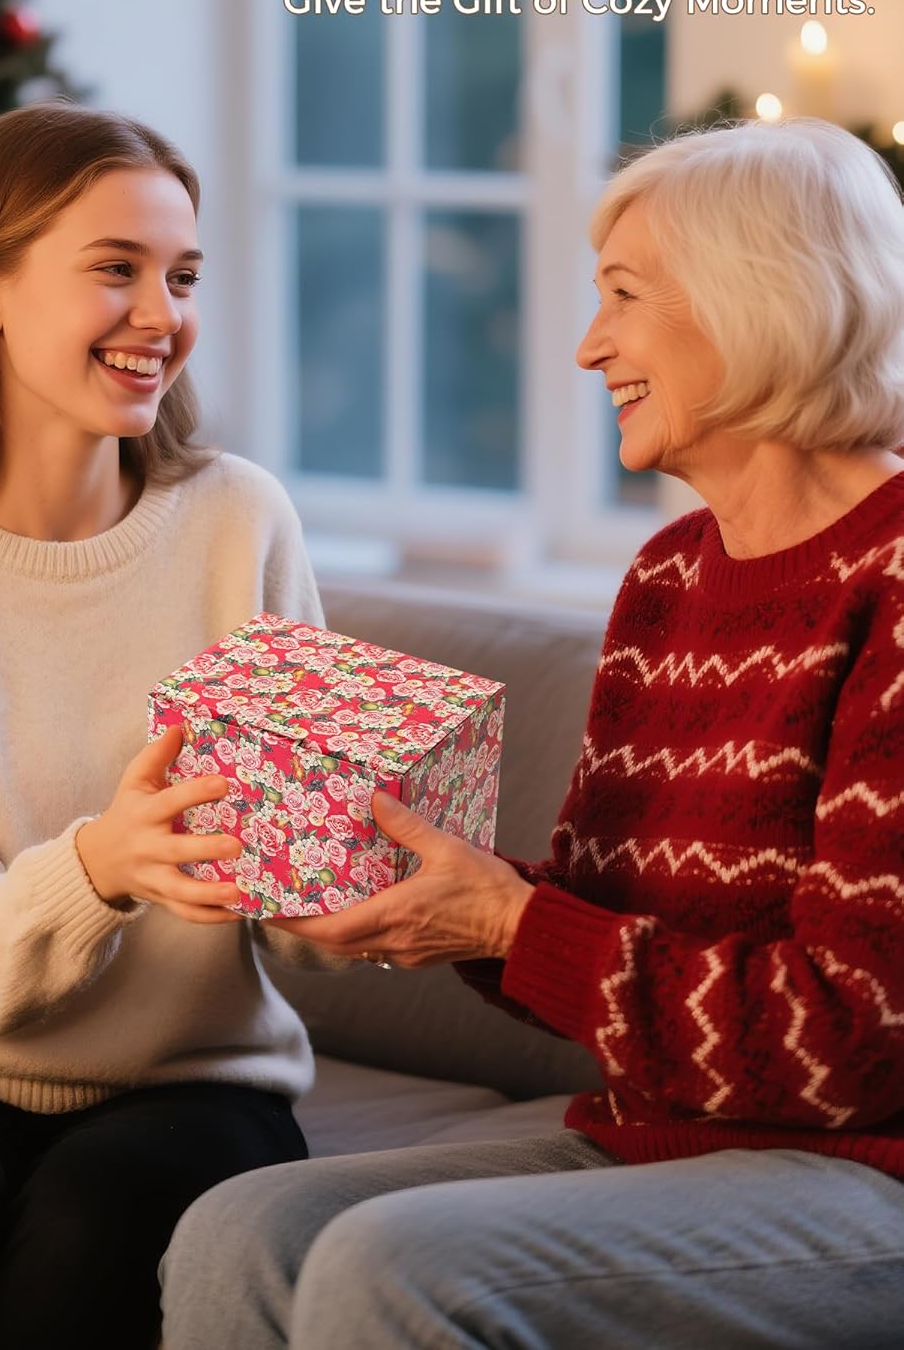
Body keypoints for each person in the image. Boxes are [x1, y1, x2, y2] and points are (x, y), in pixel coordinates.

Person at [160, 117, 904, 1350]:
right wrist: (432, 899)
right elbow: (603, 924)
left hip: (866, 1168)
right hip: (663, 1139)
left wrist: (510, 922)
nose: (586, 346)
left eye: (622, 296)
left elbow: (849, 1047)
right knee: (240, 1230)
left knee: (395, 1267)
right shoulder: (670, 579)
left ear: (755, 299)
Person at [0, 102, 332, 1350]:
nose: (162, 316)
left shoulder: (243, 522)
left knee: (103, 1210)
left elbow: (309, 931)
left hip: (191, 1077)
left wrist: (354, 868)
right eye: (116, 270)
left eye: (182, 276)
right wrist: (104, 868)